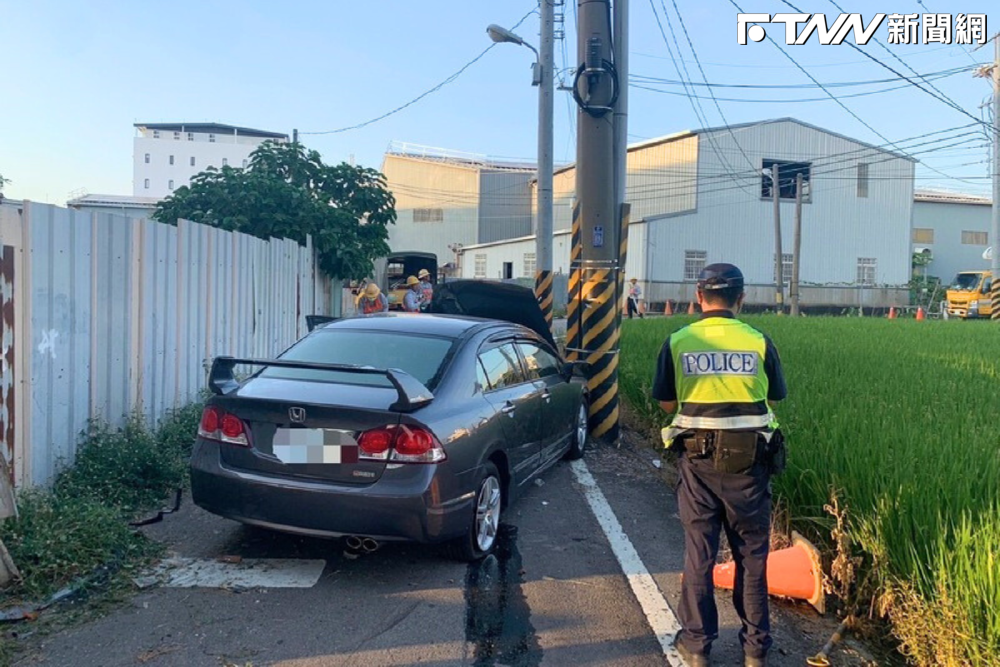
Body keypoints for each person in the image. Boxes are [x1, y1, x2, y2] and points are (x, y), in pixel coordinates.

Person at [651, 263, 787, 667]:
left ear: (698, 297)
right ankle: (755, 651)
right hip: (749, 465)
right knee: (752, 556)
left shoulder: (679, 340)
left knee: (700, 554)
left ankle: (696, 646)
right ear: (741, 299)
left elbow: (666, 403)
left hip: (697, 463)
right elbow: (773, 397)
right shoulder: (759, 340)